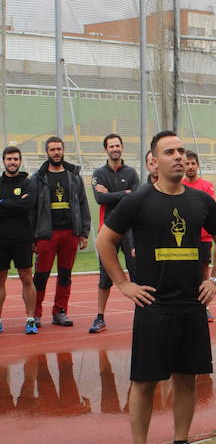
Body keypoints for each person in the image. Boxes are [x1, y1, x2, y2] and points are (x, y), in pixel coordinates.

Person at [95, 130, 216, 444]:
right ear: (154, 162)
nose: (179, 157)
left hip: (191, 304)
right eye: (170, 151)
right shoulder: (138, 201)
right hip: (154, 305)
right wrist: (124, 283)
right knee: (144, 380)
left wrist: (214, 279)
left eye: (182, 151)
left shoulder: (201, 201)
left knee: (187, 378)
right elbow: (105, 241)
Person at [30, 137, 91, 327]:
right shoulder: (38, 177)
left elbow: (83, 203)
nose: (56, 152)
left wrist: (84, 232)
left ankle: (60, 312)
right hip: (46, 234)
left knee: (65, 274)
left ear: (63, 150)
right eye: (52, 149)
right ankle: (36, 313)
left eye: (59, 149)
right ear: (46, 152)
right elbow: (31, 209)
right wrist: (32, 237)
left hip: (70, 233)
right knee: (41, 276)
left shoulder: (74, 175)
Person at [88, 134, 139, 334]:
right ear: (105, 150)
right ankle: (100, 317)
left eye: (118, 145)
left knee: (136, 272)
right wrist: (123, 194)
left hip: (130, 231)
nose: (115, 148)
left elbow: (135, 199)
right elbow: (100, 198)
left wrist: (112, 195)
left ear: (122, 148)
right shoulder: (99, 173)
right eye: (111, 146)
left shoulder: (132, 173)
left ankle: (141, 316)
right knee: (105, 276)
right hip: (108, 231)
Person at [0, 146, 38, 334]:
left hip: (23, 238)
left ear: (20, 161)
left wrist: (3, 203)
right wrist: (17, 204)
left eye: (15, 159)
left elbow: (28, 206)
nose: (12, 162)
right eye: (9, 159)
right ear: (3, 161)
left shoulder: (28, 183)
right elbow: (21, 205)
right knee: (0, 279)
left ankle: (30, 319)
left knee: (26, 278)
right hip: (1, 239)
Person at [182, 150, 216, 322]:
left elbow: (208, 209)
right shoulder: (179, 185)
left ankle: (205, 306)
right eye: (187, 163)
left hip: (203, 238)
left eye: (192, 163)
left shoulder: (206, 185)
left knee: (204, 273)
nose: (190, 167)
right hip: (185, 238)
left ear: (197, 165)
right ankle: (187, 304)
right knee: (184, 271)